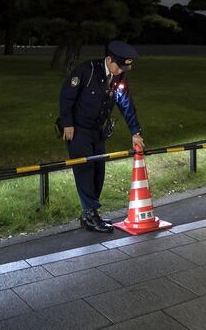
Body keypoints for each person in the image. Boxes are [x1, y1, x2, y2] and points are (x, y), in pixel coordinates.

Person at [58, 40, 144, 233]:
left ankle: (90, 213)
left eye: (124, 68)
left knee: (98, 171)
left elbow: (126, 104)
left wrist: (135, 132)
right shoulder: (87, 71)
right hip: (78, 130)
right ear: (109, 59)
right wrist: (68, 123)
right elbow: (66, 96)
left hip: (98, 130)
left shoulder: (118, 78)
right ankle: (90, 215)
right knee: (85, 170)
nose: (121, 71)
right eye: (119, 67)